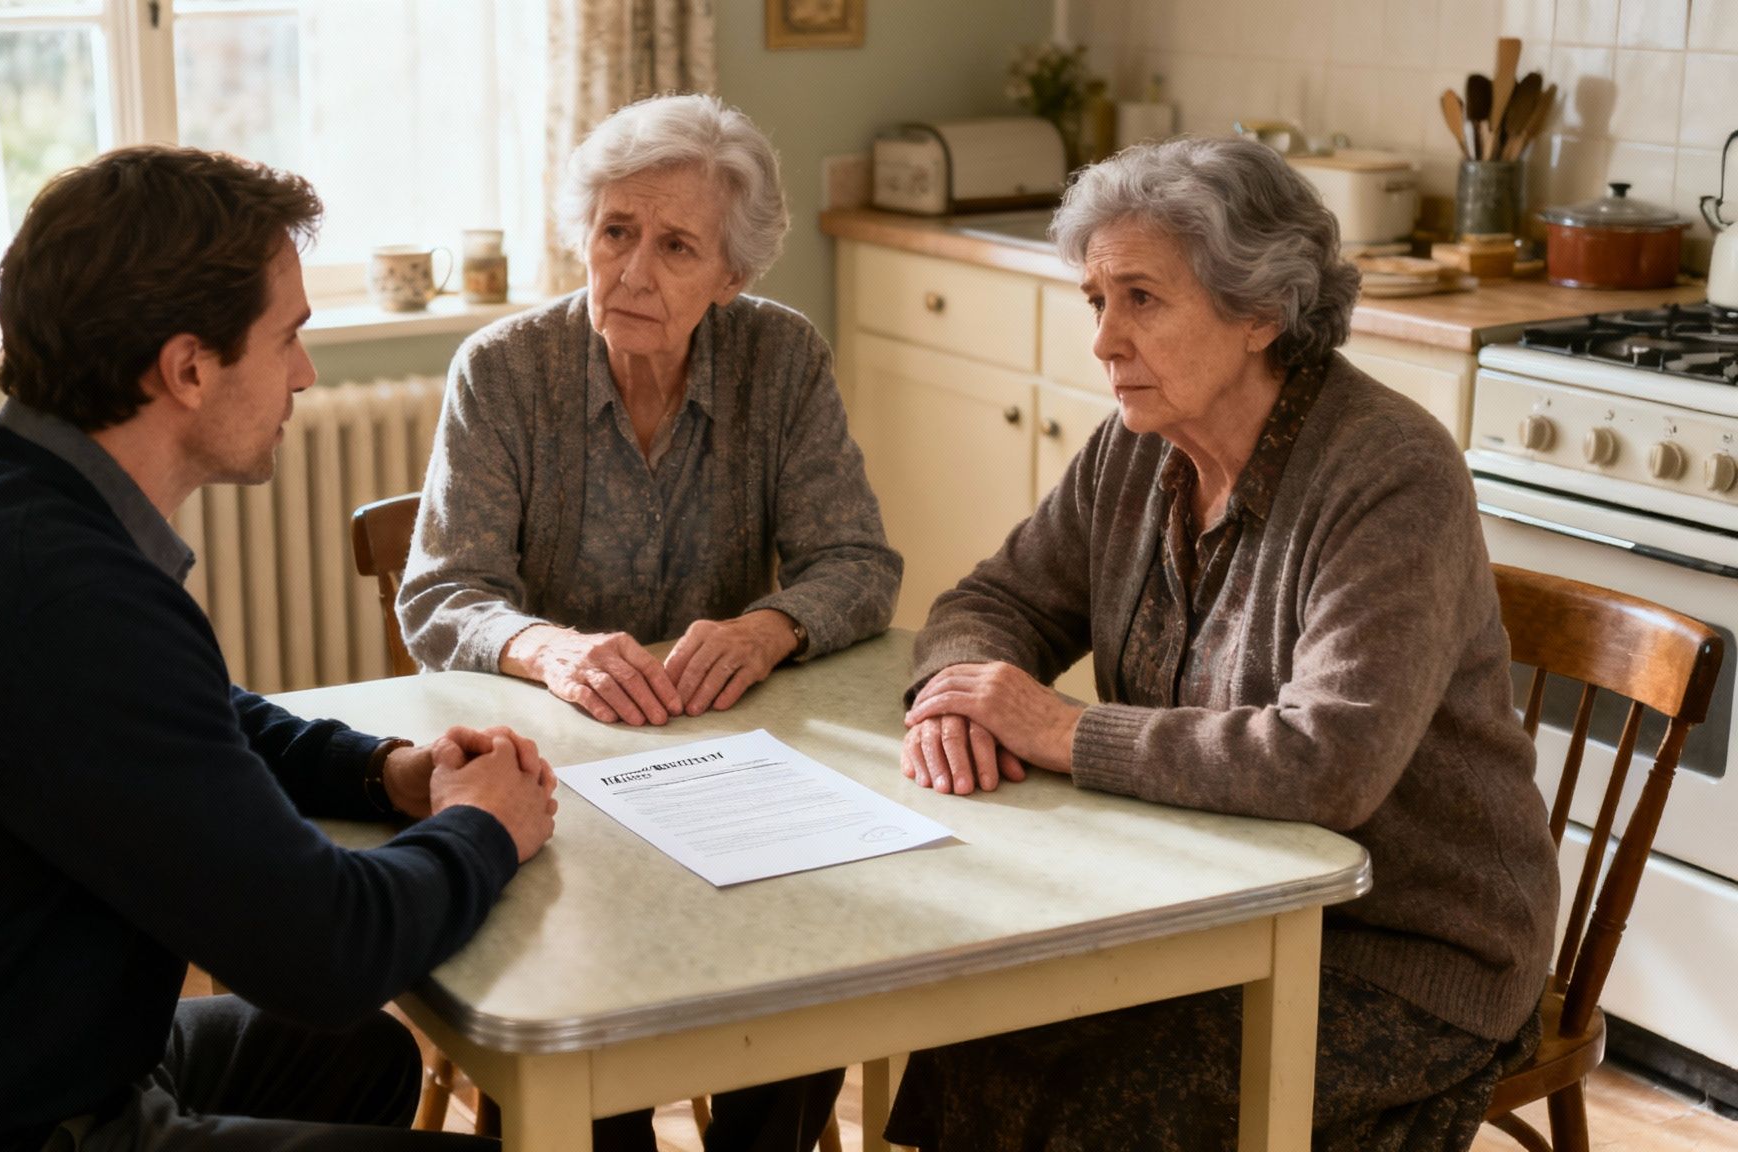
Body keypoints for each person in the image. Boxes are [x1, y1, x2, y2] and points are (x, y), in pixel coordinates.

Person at [0, 145, 557, 1152]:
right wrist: (486, 827)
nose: (305, 371)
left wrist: (386, 773)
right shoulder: (61, 596)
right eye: (287, 336)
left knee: (359, 1056)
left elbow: (188, 713)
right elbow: (328, 949)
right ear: (188, 369)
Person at [884, 137, 1561, 1151]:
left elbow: (1326, 763)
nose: (1104, 341)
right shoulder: (1134, 444)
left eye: (1140, 299)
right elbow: (997, 599)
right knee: (969, 1024)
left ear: (1257, 312)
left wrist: (1060, 728)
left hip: (1402, 944)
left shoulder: (1386, 475)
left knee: (1099, 1092)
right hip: (1199, 897)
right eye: (1094, 301)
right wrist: (950, 692)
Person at [397, 93, 890, 1151]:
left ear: (733, 276)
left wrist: (768, 627)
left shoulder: (782, 359)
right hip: (552, 781)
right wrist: (546, 645)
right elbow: (441, 595)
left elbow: (854, 561)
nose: (631, 270)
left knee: (829, 959)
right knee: (582, 1033)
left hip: (734, 771)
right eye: (615, 231)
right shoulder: (503, 369)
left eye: (675, 246)